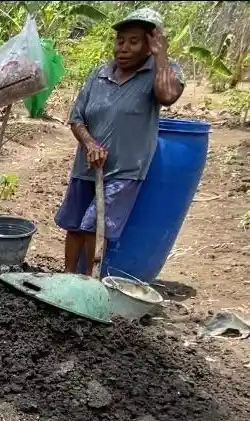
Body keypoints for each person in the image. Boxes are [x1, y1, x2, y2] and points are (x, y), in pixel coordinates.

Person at [55, 8, 184, 274]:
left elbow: (168, 96)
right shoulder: (99, 74)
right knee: (75, 225)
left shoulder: (162, 72)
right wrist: (90, 144)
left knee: (93, 225)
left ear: (151, 43)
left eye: (134, 41)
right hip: (87, 166)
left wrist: (161, 56)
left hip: (124, 170)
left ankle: (87, 283)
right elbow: (77, 117)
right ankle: (67, 278)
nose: (123, 48)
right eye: (120, 41)